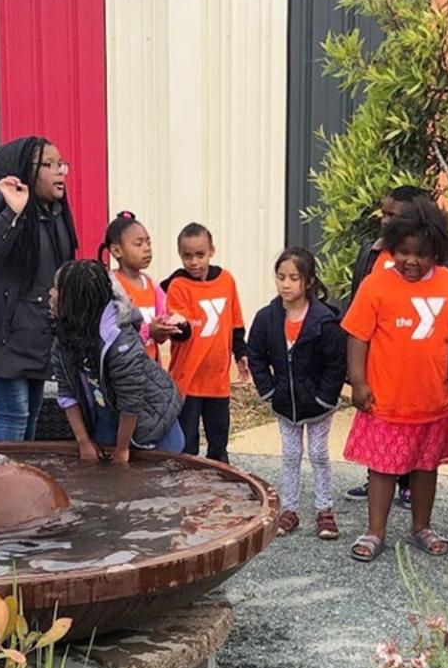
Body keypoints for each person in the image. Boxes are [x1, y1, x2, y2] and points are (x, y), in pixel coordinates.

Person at [341, 198, 448, 562]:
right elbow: (357, 337)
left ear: (438, 253)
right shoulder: (375, 285)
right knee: (383, 468)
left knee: (426, 466)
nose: (411, 261)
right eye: (403, 252)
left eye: (422, 254)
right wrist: (358, 382)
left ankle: (421, 527)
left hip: (432, 397)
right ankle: (375, 531)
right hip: (386, 398)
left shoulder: (447, 282)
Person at [0, 136, 77, 442]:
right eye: (48, 165)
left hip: (35, 330)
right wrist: (14, 212)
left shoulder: (57, 210)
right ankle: (2, 483)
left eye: (61, 164)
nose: (59, 171)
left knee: (32, 411)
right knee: (14, 411)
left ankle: (24, 480)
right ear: (24, 170)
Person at [344, 185, 433, 506]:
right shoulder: (372, 252)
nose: (384, 220)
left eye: (392, 215)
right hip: (378, 358)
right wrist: (356, 373)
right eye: (384, 213)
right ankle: (378, 478)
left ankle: (408, 482)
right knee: (378, 423)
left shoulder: (432, 261)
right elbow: (358, 305)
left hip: (414, 359)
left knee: (411, 424)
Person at [249, 248, 345, 540]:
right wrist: (269, 391)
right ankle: (289, 510)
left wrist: (324, 398)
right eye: (281, 277)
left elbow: (335, 364)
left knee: (318, 453)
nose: (286, 284)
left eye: (293, 278)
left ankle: (324, 511)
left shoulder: (325, 321)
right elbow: (255, 355)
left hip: (318, 404)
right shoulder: (266, 318)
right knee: (290, 455)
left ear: (309, 282)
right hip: (284, 403)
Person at [52, 259, 185, 463]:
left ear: (75, 301)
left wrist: (122, 451)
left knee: (158, 480)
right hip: (108, 416)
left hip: (151, 423)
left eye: (56, 289)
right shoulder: (64, 337)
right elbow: (67, 393)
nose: (50, 294)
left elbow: (131, 402)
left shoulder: (121, 343)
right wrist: (84, 442)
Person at [163, 223, 248, 462]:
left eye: (200, 255)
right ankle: (187, 492)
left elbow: (236, 322)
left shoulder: (226, 280)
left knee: (218, 438)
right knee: (187, 442)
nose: (193, 262)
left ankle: (218, 488)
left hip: (217, 379)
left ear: (212, 250)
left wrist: (241, 352)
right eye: (187, 256)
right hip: (187, 380)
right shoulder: (178, 285)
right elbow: (180, 330)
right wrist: (181, 325)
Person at [98, 212, 179, 361]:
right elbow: (112, 334)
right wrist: (148, 331)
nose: (147, 248)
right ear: (117, 250)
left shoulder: (152, 285)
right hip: (125, 371)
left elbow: (162, 322)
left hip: (150, 371)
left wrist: (167, 327)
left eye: (148, 242)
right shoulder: (111, 287)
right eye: (138, 243)